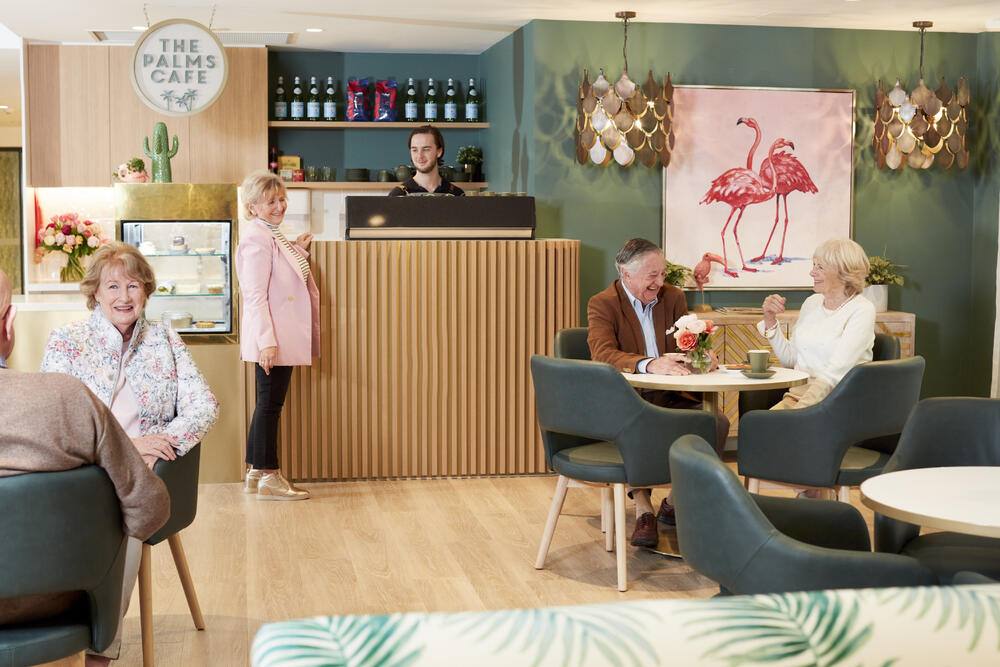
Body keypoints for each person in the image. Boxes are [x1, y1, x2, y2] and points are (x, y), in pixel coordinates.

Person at [38, 244, 217, 663]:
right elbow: (55, 420)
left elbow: (204, 405)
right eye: (113, 286)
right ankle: (53, 633)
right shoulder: (67, 341)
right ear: (95, 293)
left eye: (133, 286)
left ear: (146, 291)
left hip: (143, 472)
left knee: (125, 514)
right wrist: (126, 446)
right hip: (84, 466)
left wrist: (165, 443)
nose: (124, 296)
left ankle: (100, 649)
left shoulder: (165, 339)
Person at [0, 269, 170, 667]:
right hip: (54, 605)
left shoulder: (161, 340)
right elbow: (149, 509)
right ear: (9, 323)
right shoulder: (68, 398)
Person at [587, 238, 729, 548]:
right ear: (626, 273)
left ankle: (674, 504)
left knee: (716, 422)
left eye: (662, 273)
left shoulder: (673, 297)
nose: (660, 282)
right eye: (652, 275)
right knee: (638, 426)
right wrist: (649, 364)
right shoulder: (603, 303)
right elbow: (602, 354)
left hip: (672, 394)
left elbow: (687, 344)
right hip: (629, 397)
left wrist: (702, 356)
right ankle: (643, 509)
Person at [237, 171, 320, 500]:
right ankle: (269, 476)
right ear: (252, 207)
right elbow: (254, 295)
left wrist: (297, 248)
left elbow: (281, 271)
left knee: (267, 403)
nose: (279, 206)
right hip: (272, 339)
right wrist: (267, 342)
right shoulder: (256, 238)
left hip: (277, 336)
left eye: (282, 199)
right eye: (270, 201)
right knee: (270, 405)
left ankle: (256, 472)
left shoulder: (270, 234)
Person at [758, 237, 875, 410]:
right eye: (813, 265)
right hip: (798, 397)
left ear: (843, 272)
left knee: (764, 424)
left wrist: (797, 414)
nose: (812, 273)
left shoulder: (862, 310)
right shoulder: (811, 303)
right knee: (755, 424)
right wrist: (770, 320)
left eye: (820, 267)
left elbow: (834, 374)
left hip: (838, 403)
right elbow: (791, 360)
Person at [388, 125, 465, 196]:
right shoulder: (398, 194)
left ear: (439, 151)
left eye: (426, 149)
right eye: (415, 150)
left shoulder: (457, 194)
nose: (420, 156)